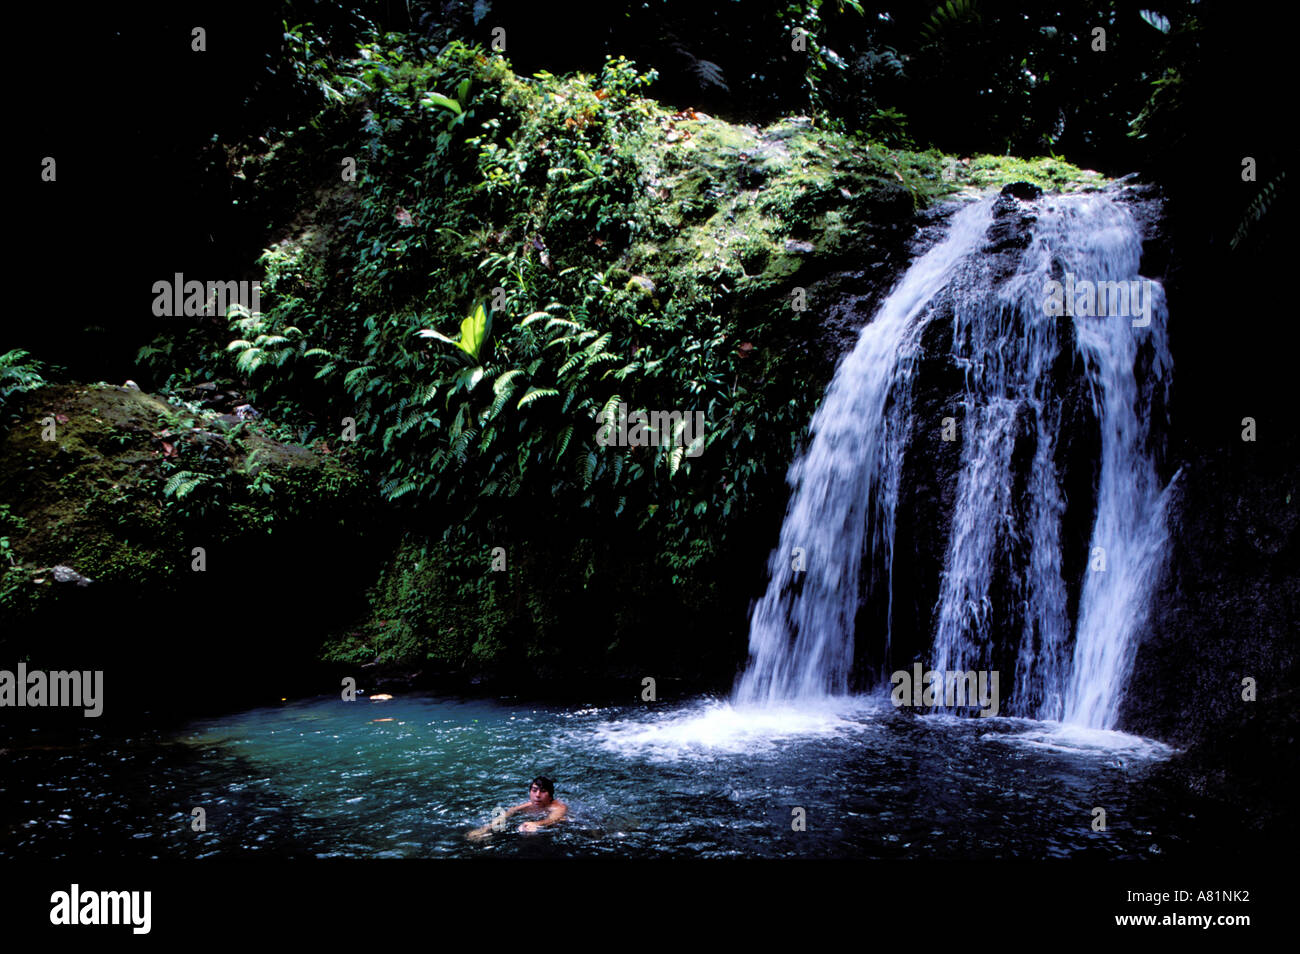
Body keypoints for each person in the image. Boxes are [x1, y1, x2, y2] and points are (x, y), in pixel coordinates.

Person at [466, 776, 567, 840]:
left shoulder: (558, 807)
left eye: (543, 791)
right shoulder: (528, 806)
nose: (537, 795)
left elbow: (553, 819)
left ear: (550, 795)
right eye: (534, 790)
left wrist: (536, 824)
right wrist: (485, 829)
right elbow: (509, 812)